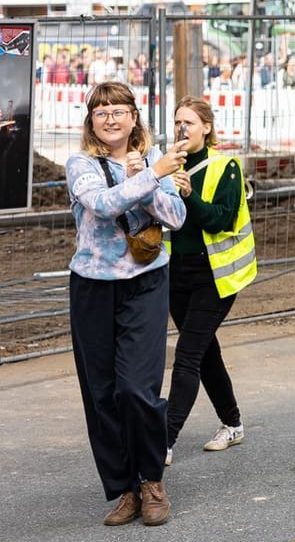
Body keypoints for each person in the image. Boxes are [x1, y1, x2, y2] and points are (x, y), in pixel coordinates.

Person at [67, 82, 190, 527]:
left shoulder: (152, 160)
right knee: (101, 394)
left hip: (145, 283)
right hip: (93, 288)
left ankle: (152, 481)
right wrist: (153, 174)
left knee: (137, 389)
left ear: (134, 117)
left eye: (119, 110)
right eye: (101, 112)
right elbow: (101, 205)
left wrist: (151, 174)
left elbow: (175, 217)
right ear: (91, 122)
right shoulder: (80, 164)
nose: (111, 118)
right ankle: (124, 490)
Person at [163, 98, 255, 467]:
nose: (181, 128)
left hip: (215, 276)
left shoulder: (225, 166)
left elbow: (221, 219)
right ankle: (232, 423)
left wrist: (189, 196)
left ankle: (163, 441)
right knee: (204, 353)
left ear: (206, 127)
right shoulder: (169, 165)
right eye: (176, 122)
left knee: (186, 355)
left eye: (188, 122)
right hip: (176, 273)